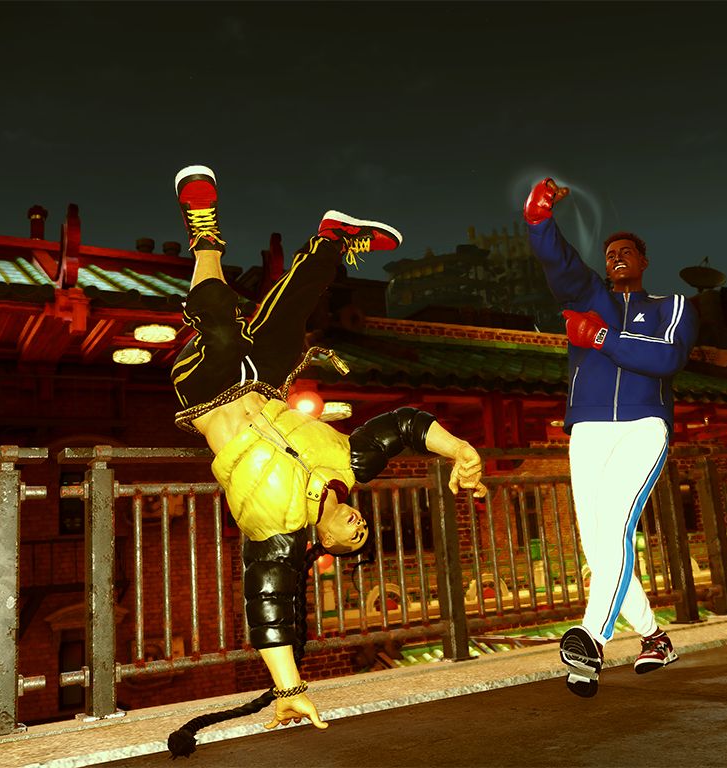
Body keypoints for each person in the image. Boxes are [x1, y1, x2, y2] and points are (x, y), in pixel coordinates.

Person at [164, 165, 488, 757]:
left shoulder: (277, 527)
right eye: (364, 531)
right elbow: (403, 426)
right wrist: (458, 449)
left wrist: (289, 689)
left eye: (350, 542)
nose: (359, 529)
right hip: (264, 380)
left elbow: (269, 602)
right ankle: (332, 239)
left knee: (222, 325)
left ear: (324, 542)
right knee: (292, 316)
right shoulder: (349, 464)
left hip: (208, 387)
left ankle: (203, 231)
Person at [521, 177, 699, 698]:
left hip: (644, 425)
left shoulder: (672, 306)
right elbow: (559, 261)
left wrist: (602, 337)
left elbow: (666, 357)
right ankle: (655, 638)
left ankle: (592, 640)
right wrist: (538, 220)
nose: (616, 258)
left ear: (644, 261)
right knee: (599, 548)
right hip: (588, 427)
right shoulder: (589, 295)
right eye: (610, 254)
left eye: (626, 252)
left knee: (617, 527)